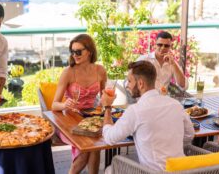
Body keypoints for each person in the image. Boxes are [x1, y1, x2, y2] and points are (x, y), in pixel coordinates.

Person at [101, 60, 194, 171]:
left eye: (129, 81)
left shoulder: (135, 111)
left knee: (109, 169)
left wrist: (107, 106)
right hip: (181, 170)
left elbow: (109, 138)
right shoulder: (176, 105)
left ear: (140, 84)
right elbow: (189, 134)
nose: (127, 86)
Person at [52, 34, 107, 174]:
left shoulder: (100, 71)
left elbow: (104, 97)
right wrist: (65, 105)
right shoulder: (68, 72)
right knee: (87, 148)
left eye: (78, 51)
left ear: (89, 51)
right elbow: (54, 105)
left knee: (95, 146)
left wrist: (108, 99)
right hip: (69, 119)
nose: (74, 55)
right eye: (72, 51)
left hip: (90, 117)